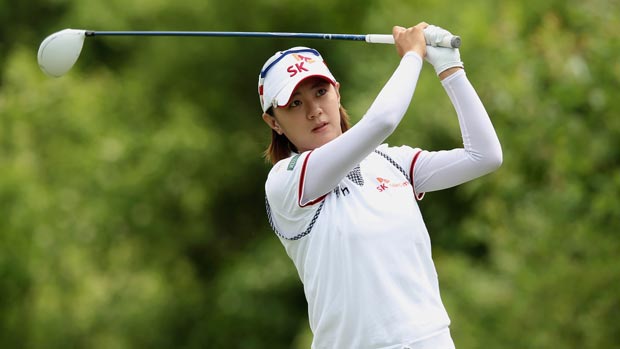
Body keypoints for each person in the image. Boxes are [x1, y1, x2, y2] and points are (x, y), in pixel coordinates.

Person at [258, 22, 502, 349]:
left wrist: (450, 68)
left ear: (337, 91)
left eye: (320, 92)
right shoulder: (286, 181)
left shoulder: (391, 161)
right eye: (295, 104)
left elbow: (484, 156)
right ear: (274, 122)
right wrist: (412, 56)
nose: (315, 111)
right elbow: (383, 121)